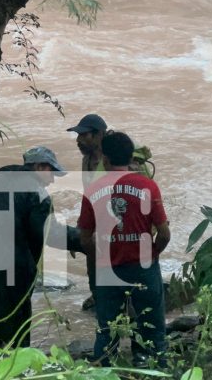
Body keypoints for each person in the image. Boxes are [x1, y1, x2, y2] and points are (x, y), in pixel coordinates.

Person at [0, 146, 83, 346]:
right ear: (39, 166)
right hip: (13, 271)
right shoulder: (36, 192)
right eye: (52, 173)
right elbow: (48, 232)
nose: (53, 179)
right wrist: (82, 240)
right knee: (14, 326)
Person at [78, 131, 170, 367]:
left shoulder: (93, 190)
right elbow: (164, 233)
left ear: (105, 159)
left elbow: (85, 238)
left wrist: (99, 255)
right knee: (153, 328)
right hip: (143, 266)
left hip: (108, 269)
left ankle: (105, 369)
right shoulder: (148, 186)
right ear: (131, 157)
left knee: (107, 329)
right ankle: (155, 367)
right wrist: (152, 254)